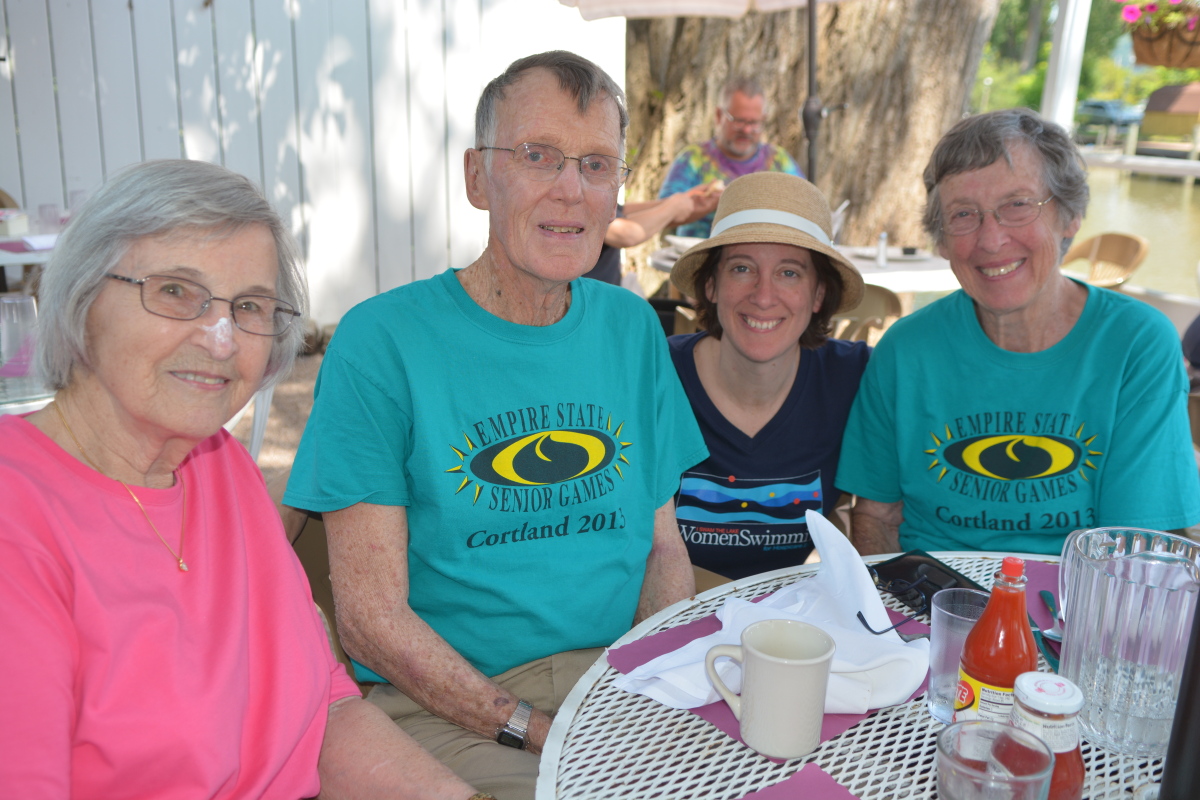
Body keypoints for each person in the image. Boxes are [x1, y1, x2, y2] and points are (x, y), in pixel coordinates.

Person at [283, 51, 707, 800]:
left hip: (618, 679)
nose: (571, 190)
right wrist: (539, 727)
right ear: (478, 177)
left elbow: (662, 546)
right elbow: (370, 620)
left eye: (597, 164)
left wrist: (649, 684)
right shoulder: (383, 342)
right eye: (538, 156)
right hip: (451, 707)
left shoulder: (631, 329)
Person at [0, 160, 480, 799]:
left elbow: (324, 710)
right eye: (175, 291)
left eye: (249, 306)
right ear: (84, 300)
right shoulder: (17, 517)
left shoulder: (220, 465)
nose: (221, 338)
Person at [836, 108, 1200, 556]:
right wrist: (886, 617)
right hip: (926, 603)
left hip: (1074, 610)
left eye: (1017, 205)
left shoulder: (1135, 345)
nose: (991, 240)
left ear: (1069, 216)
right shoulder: (905, 350)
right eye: (964, 214)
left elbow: (1133, 546)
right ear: (942, 240)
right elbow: (877, 517)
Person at [667, 172, 868, 580]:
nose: (762, 295)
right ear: (711, 285)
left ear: (818, 295)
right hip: (669, 621)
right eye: (742, 268)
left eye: (789, 273)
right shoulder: (657, 377)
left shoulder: (854, 379)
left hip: (787, 629)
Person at [658, 77, 804, 239]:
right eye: (739, 121)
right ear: (719, 115)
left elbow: (806, 209)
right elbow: (662, 214)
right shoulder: (693, 159)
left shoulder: (780, 161)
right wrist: (704, 203)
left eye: (754, 123)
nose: (747, 130)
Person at [583, 192, 704, 284]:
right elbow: (625, 234)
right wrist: (674, 206)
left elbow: (622, 211)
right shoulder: (580, 195)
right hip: (589, 302)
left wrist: (688, 200)